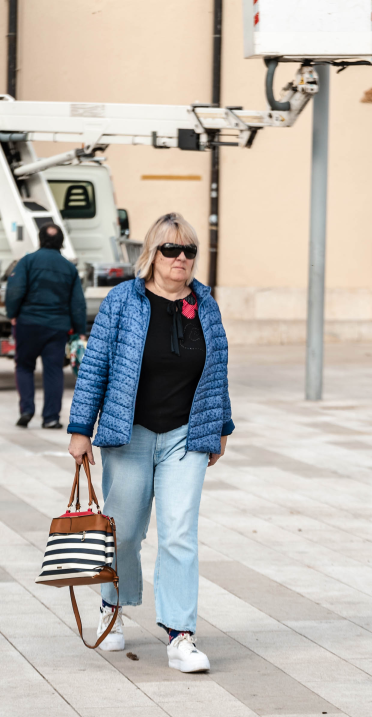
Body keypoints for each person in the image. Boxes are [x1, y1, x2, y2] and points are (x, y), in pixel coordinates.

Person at [67, 212, 233, 673]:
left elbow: (217, 367)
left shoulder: (205, 304)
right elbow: (95, 366)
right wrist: (80, 429)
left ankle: (180, 636)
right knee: (124, 532)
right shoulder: (124, 301)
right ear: (152, 254)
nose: (181, 258)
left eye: (189, 250)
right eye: (171, 249)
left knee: (179, 532)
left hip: (186, 436)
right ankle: (112, 606)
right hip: (130, 433)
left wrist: (222, 425)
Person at [6, 223, 87, 429]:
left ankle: (26, 410)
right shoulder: (69, 268)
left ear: (40, 239)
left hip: (28, 324)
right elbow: (77, 303)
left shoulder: (27, 261)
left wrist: (12, 314)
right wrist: (80, 330)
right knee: (53, 371)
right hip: (57, 328)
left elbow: (14, 290)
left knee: (24, 366)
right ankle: (51, 418)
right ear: (61, 242)